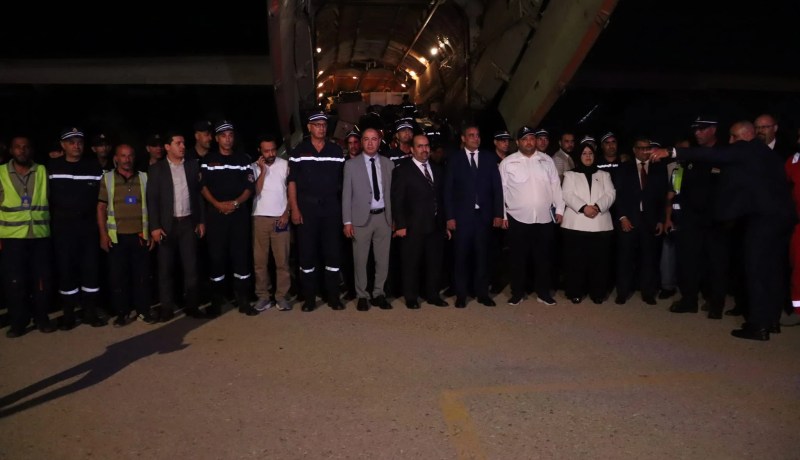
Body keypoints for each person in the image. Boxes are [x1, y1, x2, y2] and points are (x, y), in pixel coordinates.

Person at [651, 121, 795, 340]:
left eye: (733, 136)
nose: (730, 141)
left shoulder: (747, 148)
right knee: (772, 272)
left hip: (762, 220)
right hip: (782, 219)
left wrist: (672, 151)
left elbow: (713, 155)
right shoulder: (769, 155)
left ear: (746, 136)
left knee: (755, 271)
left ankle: (758, 326)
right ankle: (771, 321)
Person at [48, 127, 107, 329]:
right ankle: (68, 315)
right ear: (63, 145)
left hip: (88, 229)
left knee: (90, 270)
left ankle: (90, 313)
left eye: (79, 142)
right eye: (71, 142)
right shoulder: (52, 168)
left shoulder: (93, 167)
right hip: (63, 229)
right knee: (66, 271)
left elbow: (101, 200)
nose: (76, 146)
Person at [499, 126, 564, 306]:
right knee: (517, 258)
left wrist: (560, 209)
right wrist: (503, 215)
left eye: (532, 138)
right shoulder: (508, 163)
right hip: (517, 218)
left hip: (544, 218)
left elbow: (555, 186)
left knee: (543, 258)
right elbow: (502, 191)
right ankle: (517, 293)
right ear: (518, 142)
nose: (529, 142)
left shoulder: (547, 160)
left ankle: (543, 293)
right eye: (525, 139)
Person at [288, 111, 346, 312]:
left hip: (331, 209)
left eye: (324, 125)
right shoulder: (299, 151)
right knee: (307, 256)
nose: (321, 128)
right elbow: (292, 182)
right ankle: (309, 299)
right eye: (317, 125)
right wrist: (294, 209)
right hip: (307, 210)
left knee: (332, 255)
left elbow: (343, 183)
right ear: (309, 127)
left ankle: (333, 297)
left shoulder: (336, 151)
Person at [0, 136, 57, 337]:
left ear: (31, 150)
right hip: (12, 238)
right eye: (18, 147)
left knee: (41, 281)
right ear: (11, 150)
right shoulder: (1, 173)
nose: (22, 150)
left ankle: (42, 318)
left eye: (26, 147)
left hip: (39, 236)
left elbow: (50, 198)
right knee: (15, 282)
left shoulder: (41, 171)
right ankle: (19, 322)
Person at [147, 130, 206, 320]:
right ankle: (166, 308)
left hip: (187, 223)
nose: (182, 146)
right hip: (167, 225)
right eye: (178, 143)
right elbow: (152, 200)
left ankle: (192, 306)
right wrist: (154, 226)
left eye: (183, 143)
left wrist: (200, 220)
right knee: (165, 269)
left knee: (191, 267)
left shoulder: (191, 165)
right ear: (167, 147)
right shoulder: (157, 169)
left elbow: (198, 195)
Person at [97, 144, 159, 326]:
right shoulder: (108, 178)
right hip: (117, 238)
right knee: (118, 278)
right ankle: (122, 313)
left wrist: (151, 232)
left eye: (130, 155)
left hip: (140, 236)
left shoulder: (144, 177)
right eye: (123, 156)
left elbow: (152, 206)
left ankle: (143, 311)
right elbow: (101, 208)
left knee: (142, 277)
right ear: (116, 158)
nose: (127, 159)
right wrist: (103, 235)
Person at [444, 123, 504, 308]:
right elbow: (448, 190)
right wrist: (449, 217)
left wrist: (498, 213)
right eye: (471, 135)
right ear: (463, 138)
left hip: (483, 217)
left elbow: (497, 188)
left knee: (482, 257)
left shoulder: (488, 158)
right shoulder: (454, 159)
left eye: (477, 135)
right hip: (462, 218)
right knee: (461, 257)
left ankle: (482, 294)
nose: (475, 138)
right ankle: (461, 295)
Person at [200, 120, 256, 317]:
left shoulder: (243, 159)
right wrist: (217, 204)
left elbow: (249, 187)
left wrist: (235, 203)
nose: (228, 139)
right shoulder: (208, 160)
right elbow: (203, 186)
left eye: (230, 135)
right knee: (217, 258)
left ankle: (244, 301)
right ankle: (216, 303)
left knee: (241, 257)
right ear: (217, 139)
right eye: (223, 136)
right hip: (216, 217)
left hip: (238, 215)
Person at [392, 133, 450, 308]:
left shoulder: (437, 169)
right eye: (420, 146)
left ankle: (432, 295)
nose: (424, 149)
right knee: (411, 263)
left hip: (435, 225)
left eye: (426, 146)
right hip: (413, 226)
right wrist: (400, 225)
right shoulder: (402, 170)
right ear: (412, 149)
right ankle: (411, 297)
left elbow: (442, 198)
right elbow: (397, 200)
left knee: (434, 263)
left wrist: (445, 223)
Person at [342, 128, 394, 311]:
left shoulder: (388, 164)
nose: (370, 143)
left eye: (374, 139)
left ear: (379, 141)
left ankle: (379, 293)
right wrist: (347, 222)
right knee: (360, 260)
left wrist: (394, 218)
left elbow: (392, 194)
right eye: (366, 139)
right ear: (361, 142)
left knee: (382, 260)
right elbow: (346, 195)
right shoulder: (351, 165)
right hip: (360, 219)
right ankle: (362, 295)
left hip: (384, 218)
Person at [612, 136, 668, 305]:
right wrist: (622, 217)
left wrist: (661, 220)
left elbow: (662, 197)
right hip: (629, 220)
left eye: (647, 148)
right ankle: (622, 292)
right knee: (625, 258)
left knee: (649, 258)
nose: (645, 151)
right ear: (634, 150)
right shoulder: (624, 168)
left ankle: (648, 292)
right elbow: (617, 195)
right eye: (641, 148)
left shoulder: (659, 168)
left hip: (650, 221)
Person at [560, 140, 616, 304]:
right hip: (576, 225)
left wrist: (597, 207)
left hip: (600, 225)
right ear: (579, 156)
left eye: (590, 153)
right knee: (576, 261)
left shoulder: (604, 175)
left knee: (599, 262)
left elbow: (611, 194)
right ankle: (575, 292)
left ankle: (597, 293)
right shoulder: (570, 175)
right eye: (584, 153)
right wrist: (584, 208)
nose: (588, 156)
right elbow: (567, 194)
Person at [251, 134, 292, 312]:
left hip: (280, 218)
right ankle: (263, 296)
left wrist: (287, 212)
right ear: (260, 151)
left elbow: (291, 191)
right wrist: (262, 171)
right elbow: (255, 191)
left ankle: (282, 297)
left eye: (273, 150)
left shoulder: (285, 165)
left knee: (282, 261)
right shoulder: (253, 167)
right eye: (266, 151)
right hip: (259, 218)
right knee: (260, 262)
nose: (271, 154)